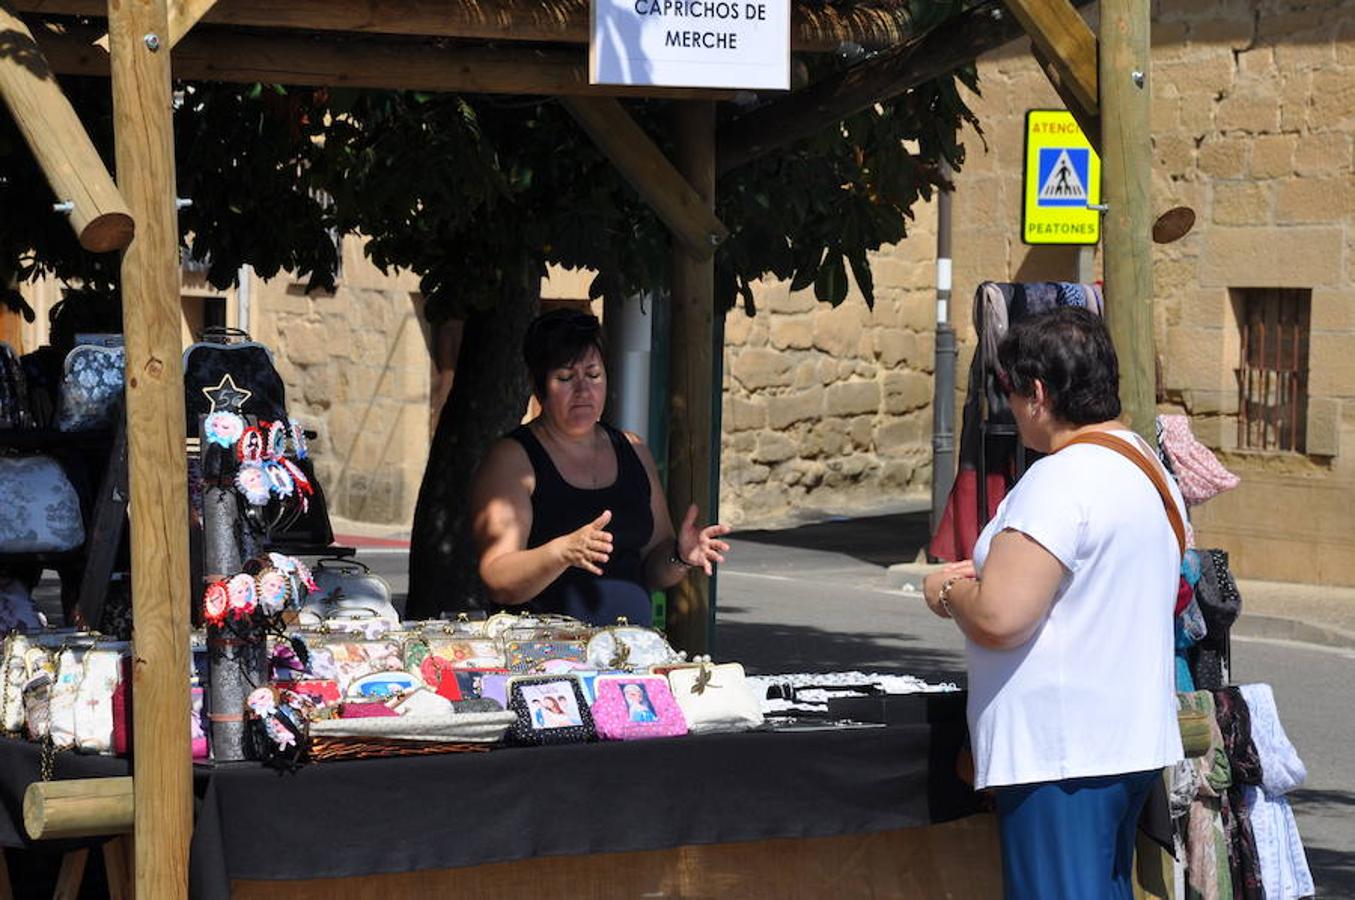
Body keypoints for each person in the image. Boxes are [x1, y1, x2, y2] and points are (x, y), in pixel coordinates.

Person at [921, 306, 1185, 900]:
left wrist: (947, 589)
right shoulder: (1146, 466)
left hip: (1063, 752)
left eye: (1012, 395)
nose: (1012, 410)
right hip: (1125, 738)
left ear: (1037, 393)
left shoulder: (1060, 479)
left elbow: (999, 618)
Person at [470, 308, 730, 626]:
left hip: (628, 656)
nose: (583, 391)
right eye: (565, 378)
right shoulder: (513, 458)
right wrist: (561, 552)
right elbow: (498, 578)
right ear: (537, 387)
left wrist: (680, 555)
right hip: (545, 660)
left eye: (593, 375)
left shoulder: (633, 449)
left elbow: (653, 566)